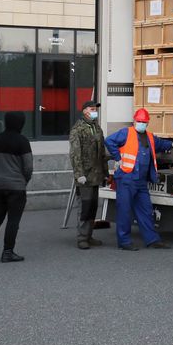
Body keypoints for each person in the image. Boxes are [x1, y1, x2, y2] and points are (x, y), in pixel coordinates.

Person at [104, 108, 173, 251]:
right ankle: (124, 242)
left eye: (144, 122)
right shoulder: (126, 133)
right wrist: (117, 157)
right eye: (139, 121)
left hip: (140, 181)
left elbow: (160, 143)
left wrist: (171, 144)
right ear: (134, 121)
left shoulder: (150, 137)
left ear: (147, 123)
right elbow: (109, 141)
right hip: (127, 178)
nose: (141, 124)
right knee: (124, 210)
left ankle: (152, 240)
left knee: (146, 210)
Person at [0, 112, 33, 264]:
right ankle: (7, 252)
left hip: (0, 185)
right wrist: (24, 180)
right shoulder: (23, 141)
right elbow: (28, 166)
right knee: (13, 220)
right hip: (17, 186)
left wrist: (1, 173)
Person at [68, 99, 107, 249]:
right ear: (85, 111)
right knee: (84, 207)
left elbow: (102, 152)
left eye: (95, 109)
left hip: (96, 175)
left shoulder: (97, 128)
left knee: (92, 206)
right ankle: (82, 238)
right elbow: (75, 154)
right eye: (92, 109)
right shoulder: (77, 129)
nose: (94, 111)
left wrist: (105, 172)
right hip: (85, 176)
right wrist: (79, 174)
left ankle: (89, 235)